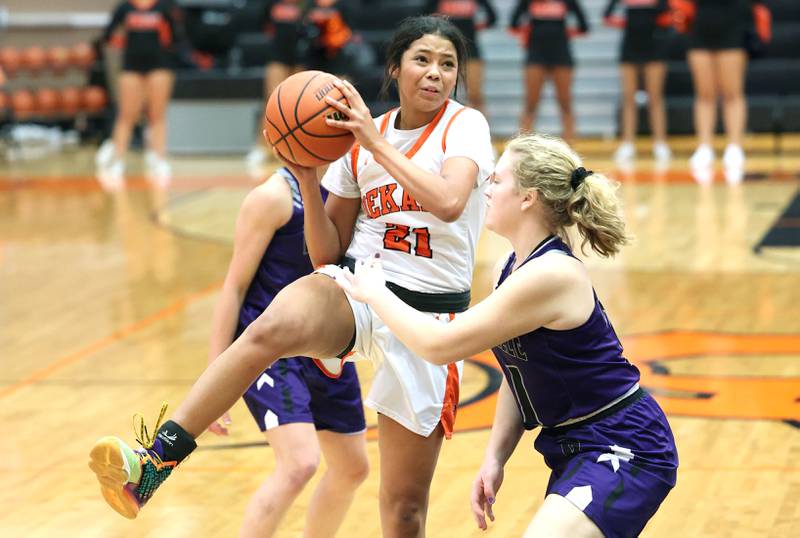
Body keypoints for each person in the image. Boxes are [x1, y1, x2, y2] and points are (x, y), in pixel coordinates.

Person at [88, 15, 495, 536]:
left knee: (403, 508)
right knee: (268, 327)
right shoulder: (359, 144)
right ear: (395, 69)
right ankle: (152, 466)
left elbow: (448, 201)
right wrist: (307, 175)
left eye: (447, 64)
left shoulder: (464, 126)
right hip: (362, 291)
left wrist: (374, 144)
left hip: (429, 318)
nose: (435, 73)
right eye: (422, 60)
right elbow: (327, 254)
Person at [334, 133, 679, 537]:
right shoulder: (511, 266)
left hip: (624, 445)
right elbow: (519, 373)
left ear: (528, 198)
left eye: (497, 180)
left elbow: (440, 345)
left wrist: (375, 293)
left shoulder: (551, 274)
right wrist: (495, 458)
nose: (487, 187)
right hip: (575, 445)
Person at [205, 166, 368, 537]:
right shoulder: (272, 198)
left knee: (352, 468)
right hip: (273, 349)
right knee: (299, 463)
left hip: (329, 343)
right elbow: (234, 286)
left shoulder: (350, 184)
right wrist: (217, 378)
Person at [678, 0, 769, 183]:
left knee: (732, 93)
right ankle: (704, 147)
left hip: (733, 27)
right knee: (704, 94)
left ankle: (734, 147)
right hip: (701, 28)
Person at [95, 0, 184, 181]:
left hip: (159, 66)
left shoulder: (165, 6)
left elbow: (177, 37)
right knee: (126, 115)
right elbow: (107, 36)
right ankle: (118, 160)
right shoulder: (125, 8)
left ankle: (158, 159)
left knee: (157, 115)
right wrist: (122, 43)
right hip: (131, 68)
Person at [510, 0, 589, 143]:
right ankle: (522, 148)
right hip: (536, 54)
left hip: (561, 54)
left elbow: (584, 26)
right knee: (530, 103)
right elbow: (513, 24)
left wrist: (562, 34)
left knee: (565, 102)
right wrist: (528, 35)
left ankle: (570, 148)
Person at [604, 0, 672, 165]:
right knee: (629, 97)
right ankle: (627, 143)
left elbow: (670, 14)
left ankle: (660, 143)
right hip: (630, 45)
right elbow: (607, 15)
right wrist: (628, 24)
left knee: (655, 97)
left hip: (655, 44)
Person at [246, 0, 306, 167]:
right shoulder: (271, 3)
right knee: (273, 100)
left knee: (299, 104)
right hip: (277, 54)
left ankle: (299, 147)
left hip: (300, 54)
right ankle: (261, 146)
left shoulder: (308, 4)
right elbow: (263, 23)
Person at [426, 0, 498, 113]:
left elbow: (492, 17)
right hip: (444, 49)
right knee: (441, 93)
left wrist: (476, 27)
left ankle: (480, 127)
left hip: (470, 49)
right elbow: (425, 15)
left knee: (475, 94)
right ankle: (440, 126)